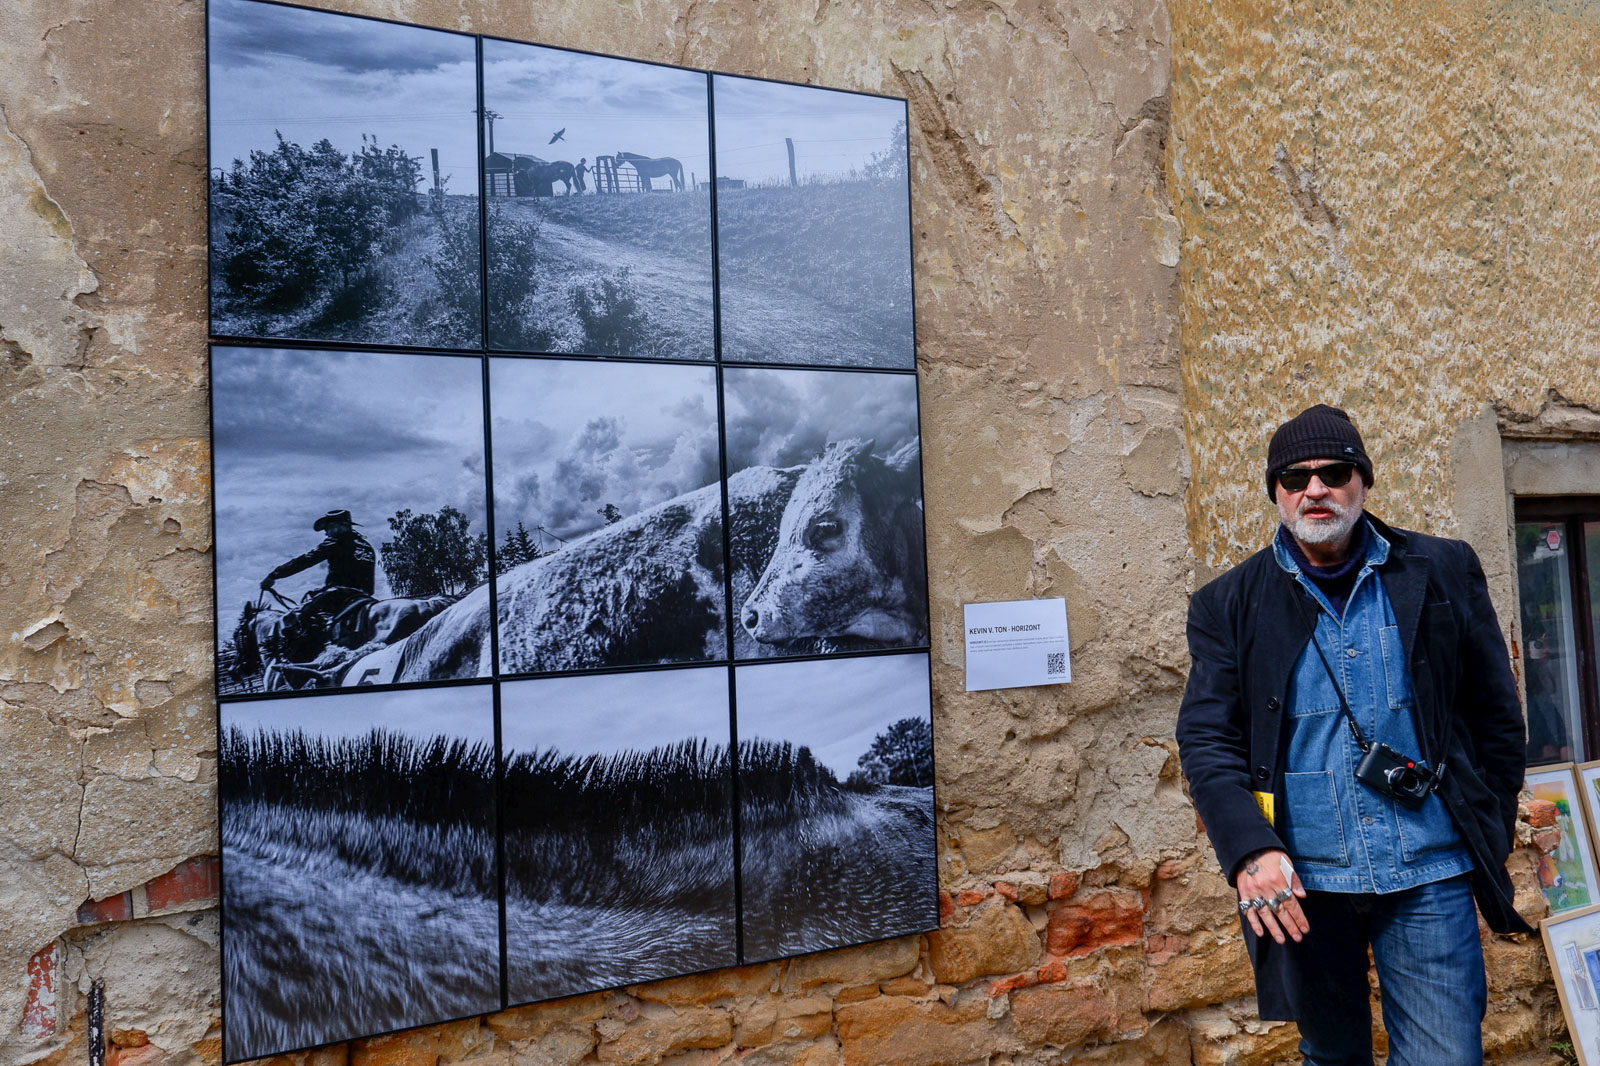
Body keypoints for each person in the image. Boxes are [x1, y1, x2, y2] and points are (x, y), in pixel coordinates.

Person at [1176, 404, 1531, 1066]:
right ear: (1277, 492)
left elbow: (1495, 716)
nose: (1314, 489)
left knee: (1446, 1058)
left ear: (1363, 481)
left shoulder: (1443, 568)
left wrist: (1489, 825)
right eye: (1294, 478)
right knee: (1333, 1055)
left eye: (1333, 473)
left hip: (1430, 868)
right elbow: (1207, 742)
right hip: (1303, 884)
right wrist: (1250, 851)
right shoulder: (1228, 603)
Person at [261, 509, 377, 647]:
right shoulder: (366, 546)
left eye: (327, 529)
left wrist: (274, 575)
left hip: (339, 595)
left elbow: (305, 560)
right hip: (364, 596)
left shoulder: (335, 542)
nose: (326, 533)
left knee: (297, 620)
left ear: (337, 527)